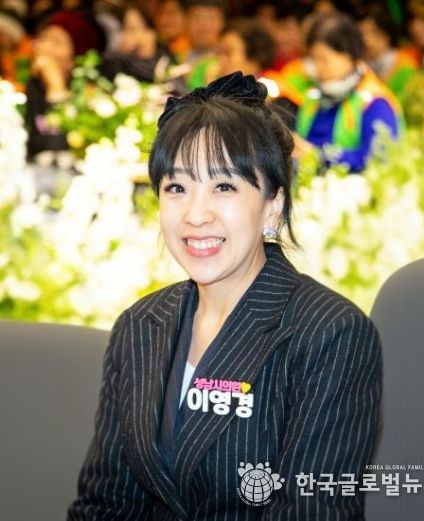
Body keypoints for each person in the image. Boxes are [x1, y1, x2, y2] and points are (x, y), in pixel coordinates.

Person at [66, 71, 382, 520]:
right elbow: (106, 503)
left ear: (273, 204)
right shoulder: (140, 325)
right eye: (177, 188)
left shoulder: (329, 334)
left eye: (225, 187)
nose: (196, 215)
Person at [296, 12, 402, 173]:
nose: (317, 68)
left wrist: (319, 156)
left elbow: (377, 158)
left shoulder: (374, 102)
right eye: (314, 59)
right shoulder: (312, 96)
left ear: (349, 56)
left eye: (324, 59)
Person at [25, 10, 99, 159]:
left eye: (56, 42)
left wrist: (56, 87)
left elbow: (60, 150)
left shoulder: (90, 95)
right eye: (43, 38)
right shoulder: (32, 86)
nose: (45, 47)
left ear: (75, 59)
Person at [358, 4, 419, 102]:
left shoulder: (405, 67)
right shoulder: (359, 68)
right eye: (362, 34)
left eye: (374, 32)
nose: (367, 40)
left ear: (387, 33)